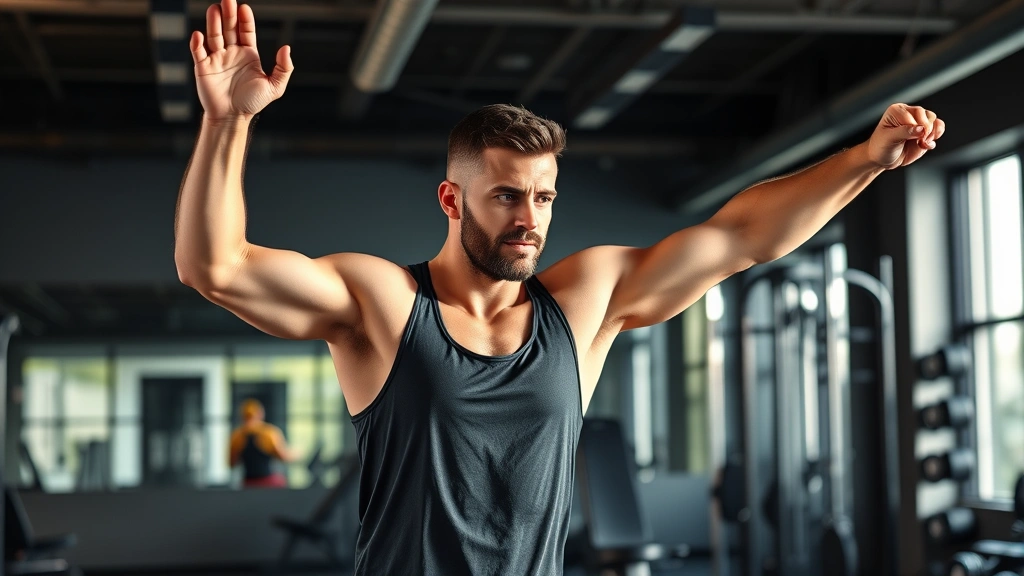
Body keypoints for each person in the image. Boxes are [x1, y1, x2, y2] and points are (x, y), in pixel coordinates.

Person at [175, 1, 944, 573]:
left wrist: (865, 161)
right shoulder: (382, 303)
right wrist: (226, 124)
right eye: (507, 195)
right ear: (452, 200)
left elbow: (740, 238)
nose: (529, 220)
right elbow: (218, 268)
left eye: (543, 198)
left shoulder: (585, 301)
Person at [228, 398, 296, 488]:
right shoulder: (268, 433)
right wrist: (296, 454)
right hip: (268, 482)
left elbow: (231, 463)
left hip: (248, 483)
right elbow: (283, 457)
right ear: (260, 414)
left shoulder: (237, 435)